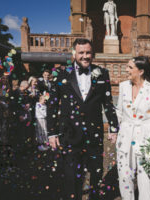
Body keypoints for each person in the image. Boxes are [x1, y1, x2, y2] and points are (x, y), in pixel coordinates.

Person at [47, 38, 119, 200]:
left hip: (95, 134)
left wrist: (114, 127)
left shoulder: (102, 73)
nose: (85, 56)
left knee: (95, 174)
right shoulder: (61, 74)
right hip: (69, 134)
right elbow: (52, 105)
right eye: (81, 53)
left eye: (88, 53)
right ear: (74, 54)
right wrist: (51, 132)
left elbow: (107, 103)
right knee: (72, 177)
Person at [116, 56, 150, 200]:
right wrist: (115, 130)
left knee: (146, 176)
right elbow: (119, 111)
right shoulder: (123, 86)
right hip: (125, 136)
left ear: (141, 71)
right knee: (124, 174)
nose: (126, 70)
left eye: (130, 67)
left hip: (146, 137)